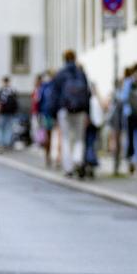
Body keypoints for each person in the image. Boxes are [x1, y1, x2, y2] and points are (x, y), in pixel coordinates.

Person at [50, 50, 93, 179]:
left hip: (64, 110)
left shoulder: (60, 74)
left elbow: (54, 95)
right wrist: (88, 113)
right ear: (75, 58)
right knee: (79, 138)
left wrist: (54, 114)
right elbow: (87, 94)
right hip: (80, 110)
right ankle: (78, 160)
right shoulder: (81, 73)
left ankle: (68, 168)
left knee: (66, 138)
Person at [34, 72, 58, 168]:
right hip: (54, 114)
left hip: (45, 113)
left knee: (47, 134)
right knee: (53, 135)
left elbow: (38, 101)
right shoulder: (55, 86)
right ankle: (54, 156)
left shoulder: (43, 87)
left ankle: (48, 155)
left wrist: (38, 113)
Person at [0, 76, 19, 152]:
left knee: (0, 128)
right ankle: (6, 143)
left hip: (2, 112)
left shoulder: (0, 91)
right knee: (8, 128)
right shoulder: (13, 91)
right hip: (11, 112)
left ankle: (0, 144)